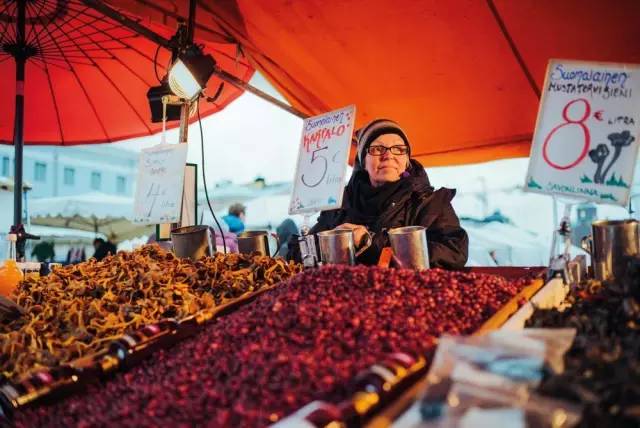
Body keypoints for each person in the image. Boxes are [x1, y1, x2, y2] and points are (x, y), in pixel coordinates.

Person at [290, 118, 468, 269]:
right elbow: (298, 255)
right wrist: (331, 243)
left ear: (407, 160)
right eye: (377, 149)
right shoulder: (339, 205)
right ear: (363, 161)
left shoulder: (429, 203)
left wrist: (370, 244)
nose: (388, 155)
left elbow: (454, 251)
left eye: (398, 149)